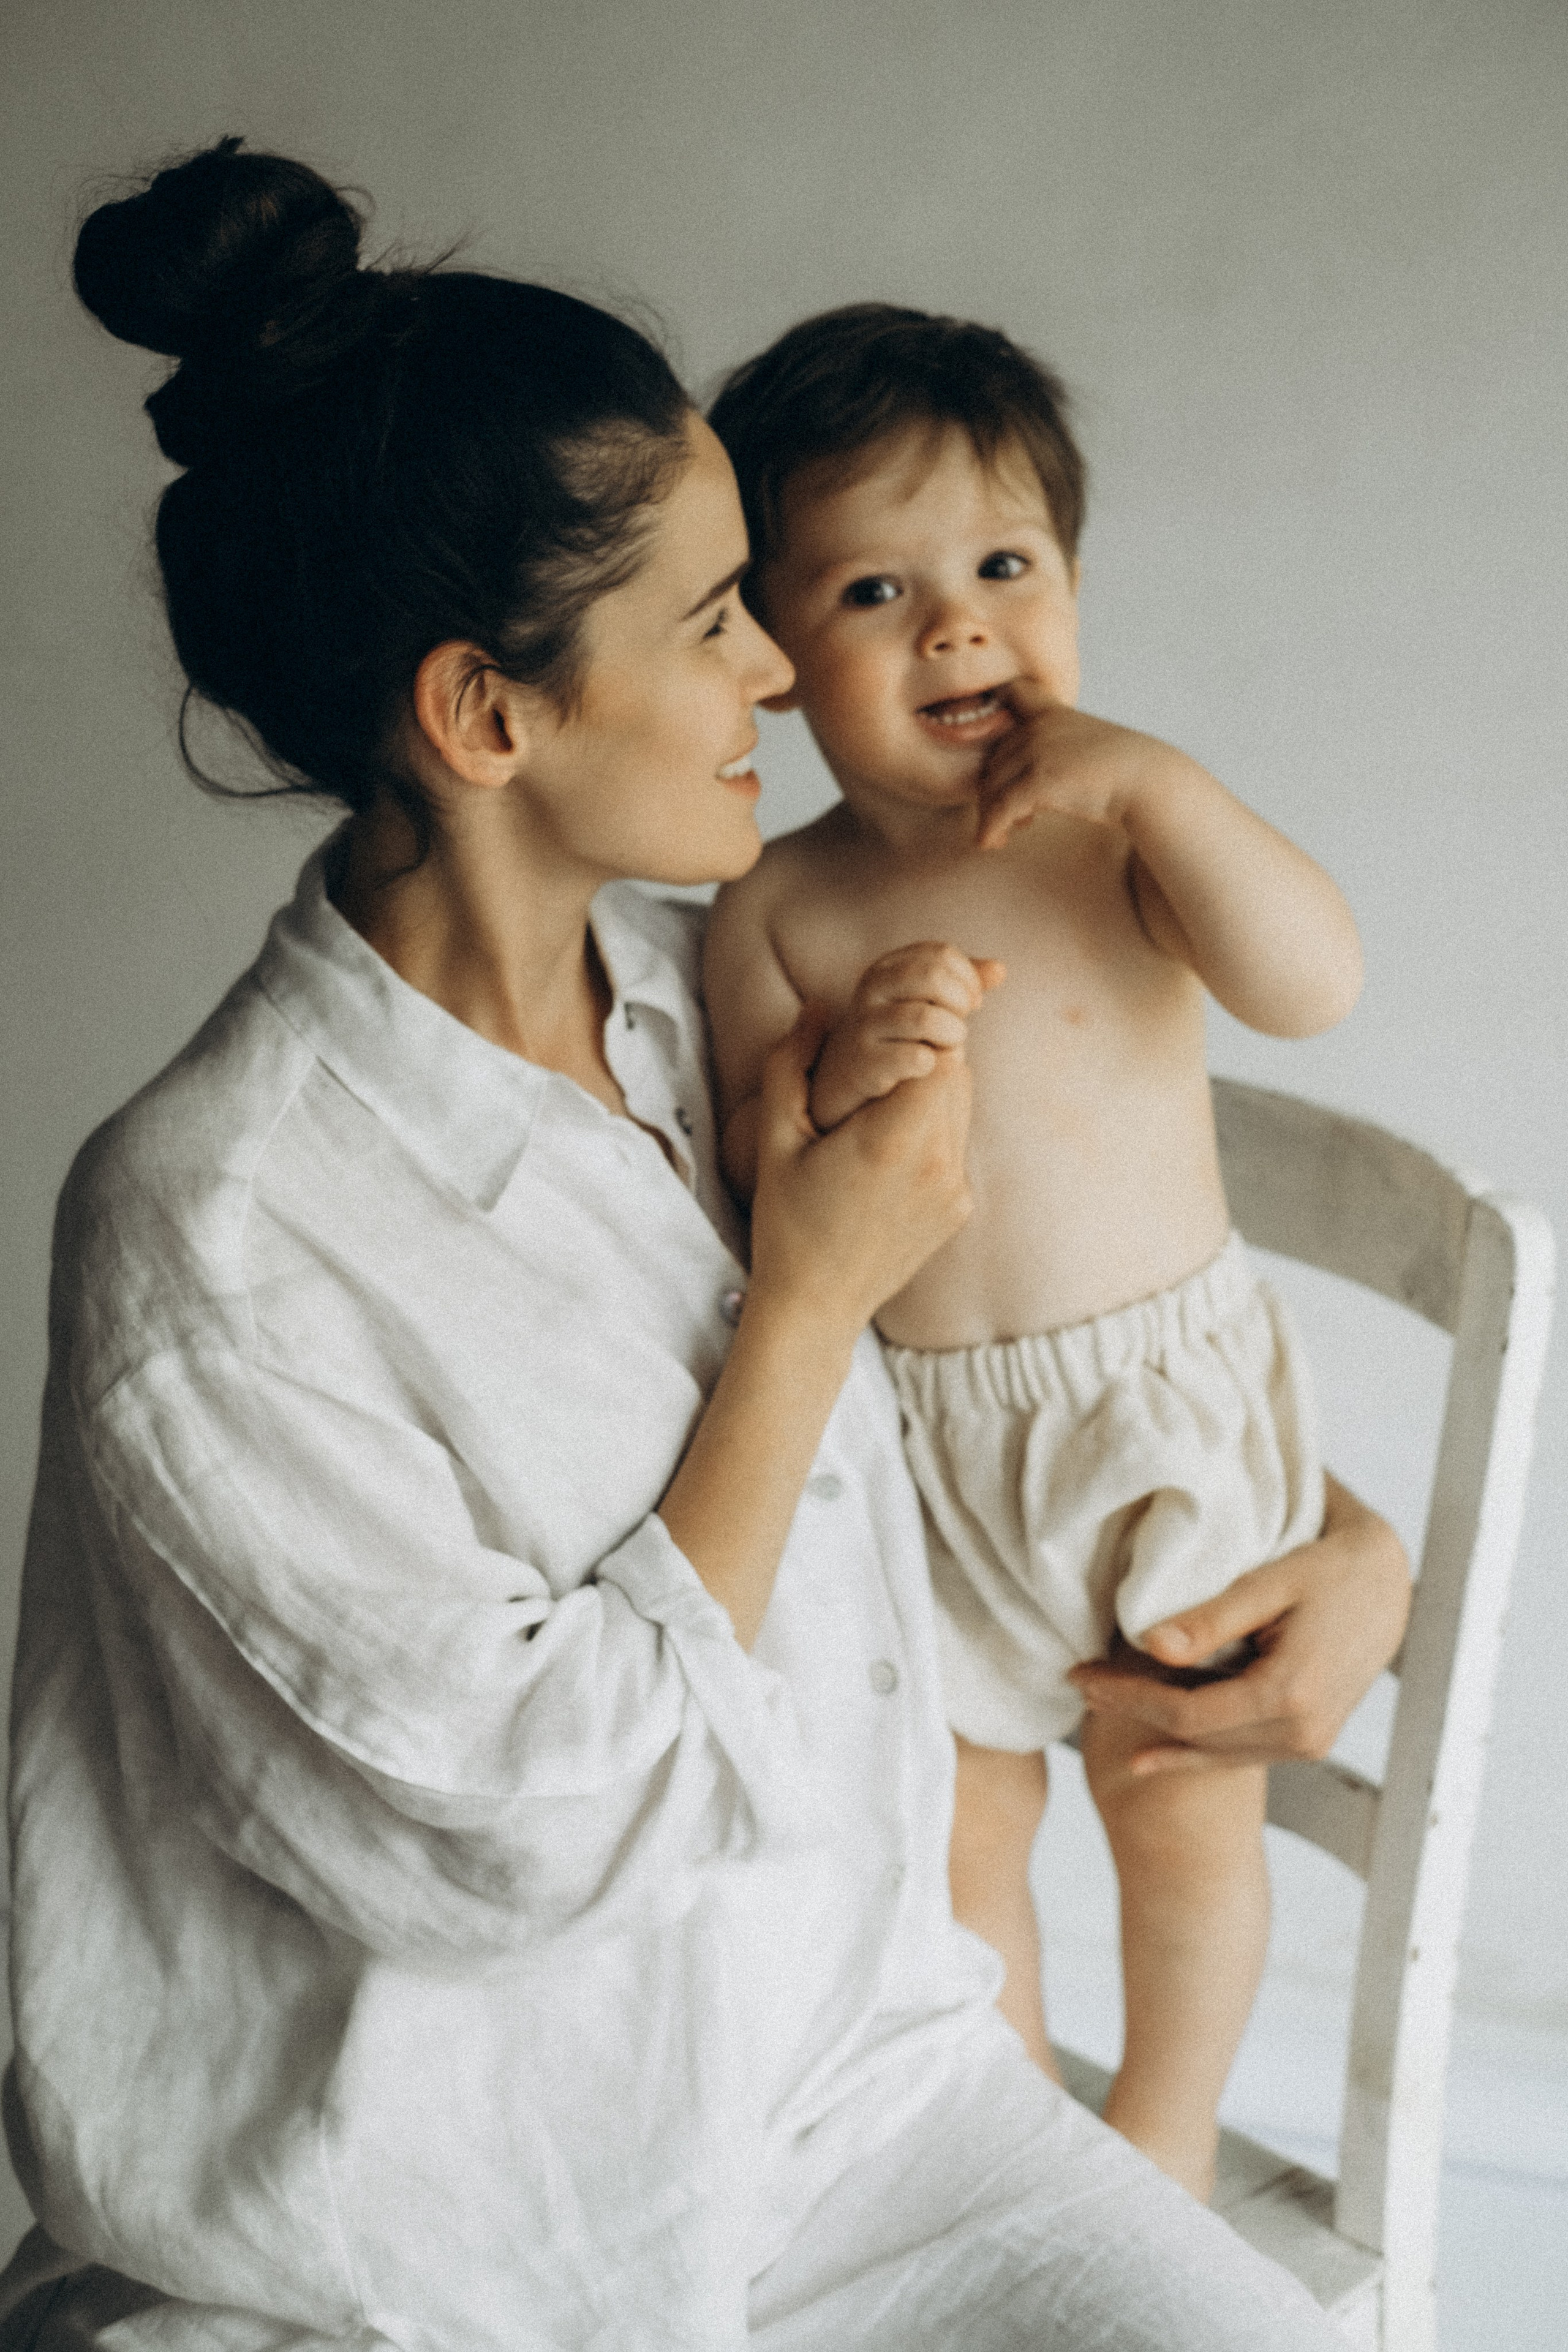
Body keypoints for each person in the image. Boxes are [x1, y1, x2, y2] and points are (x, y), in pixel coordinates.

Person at [0, 145, 1406, 2352]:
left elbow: (1049, 1312)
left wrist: (1348, 1548)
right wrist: (807, 1299)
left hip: (859, 2110)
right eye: (714, 615)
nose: (777, 668)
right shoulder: (214, 1234)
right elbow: (525, 1846)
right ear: (484, 715)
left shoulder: (731, 984)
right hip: (425, 2252)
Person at [704, 304, 1366, 2196]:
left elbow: (1312, 987)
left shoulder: (1114, 838)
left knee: (1179, 1810)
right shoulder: (778, 901)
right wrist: (845, 1065)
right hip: (926, 1452)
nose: (958, 625)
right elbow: (769, 1191)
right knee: (960, 1835)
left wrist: (1164, 789)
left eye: (1005, 566)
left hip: (1162, 1411)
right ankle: (1014, 2163)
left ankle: (1151, 2156)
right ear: (762, 647)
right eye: (873, 591)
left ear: (1071, 580)